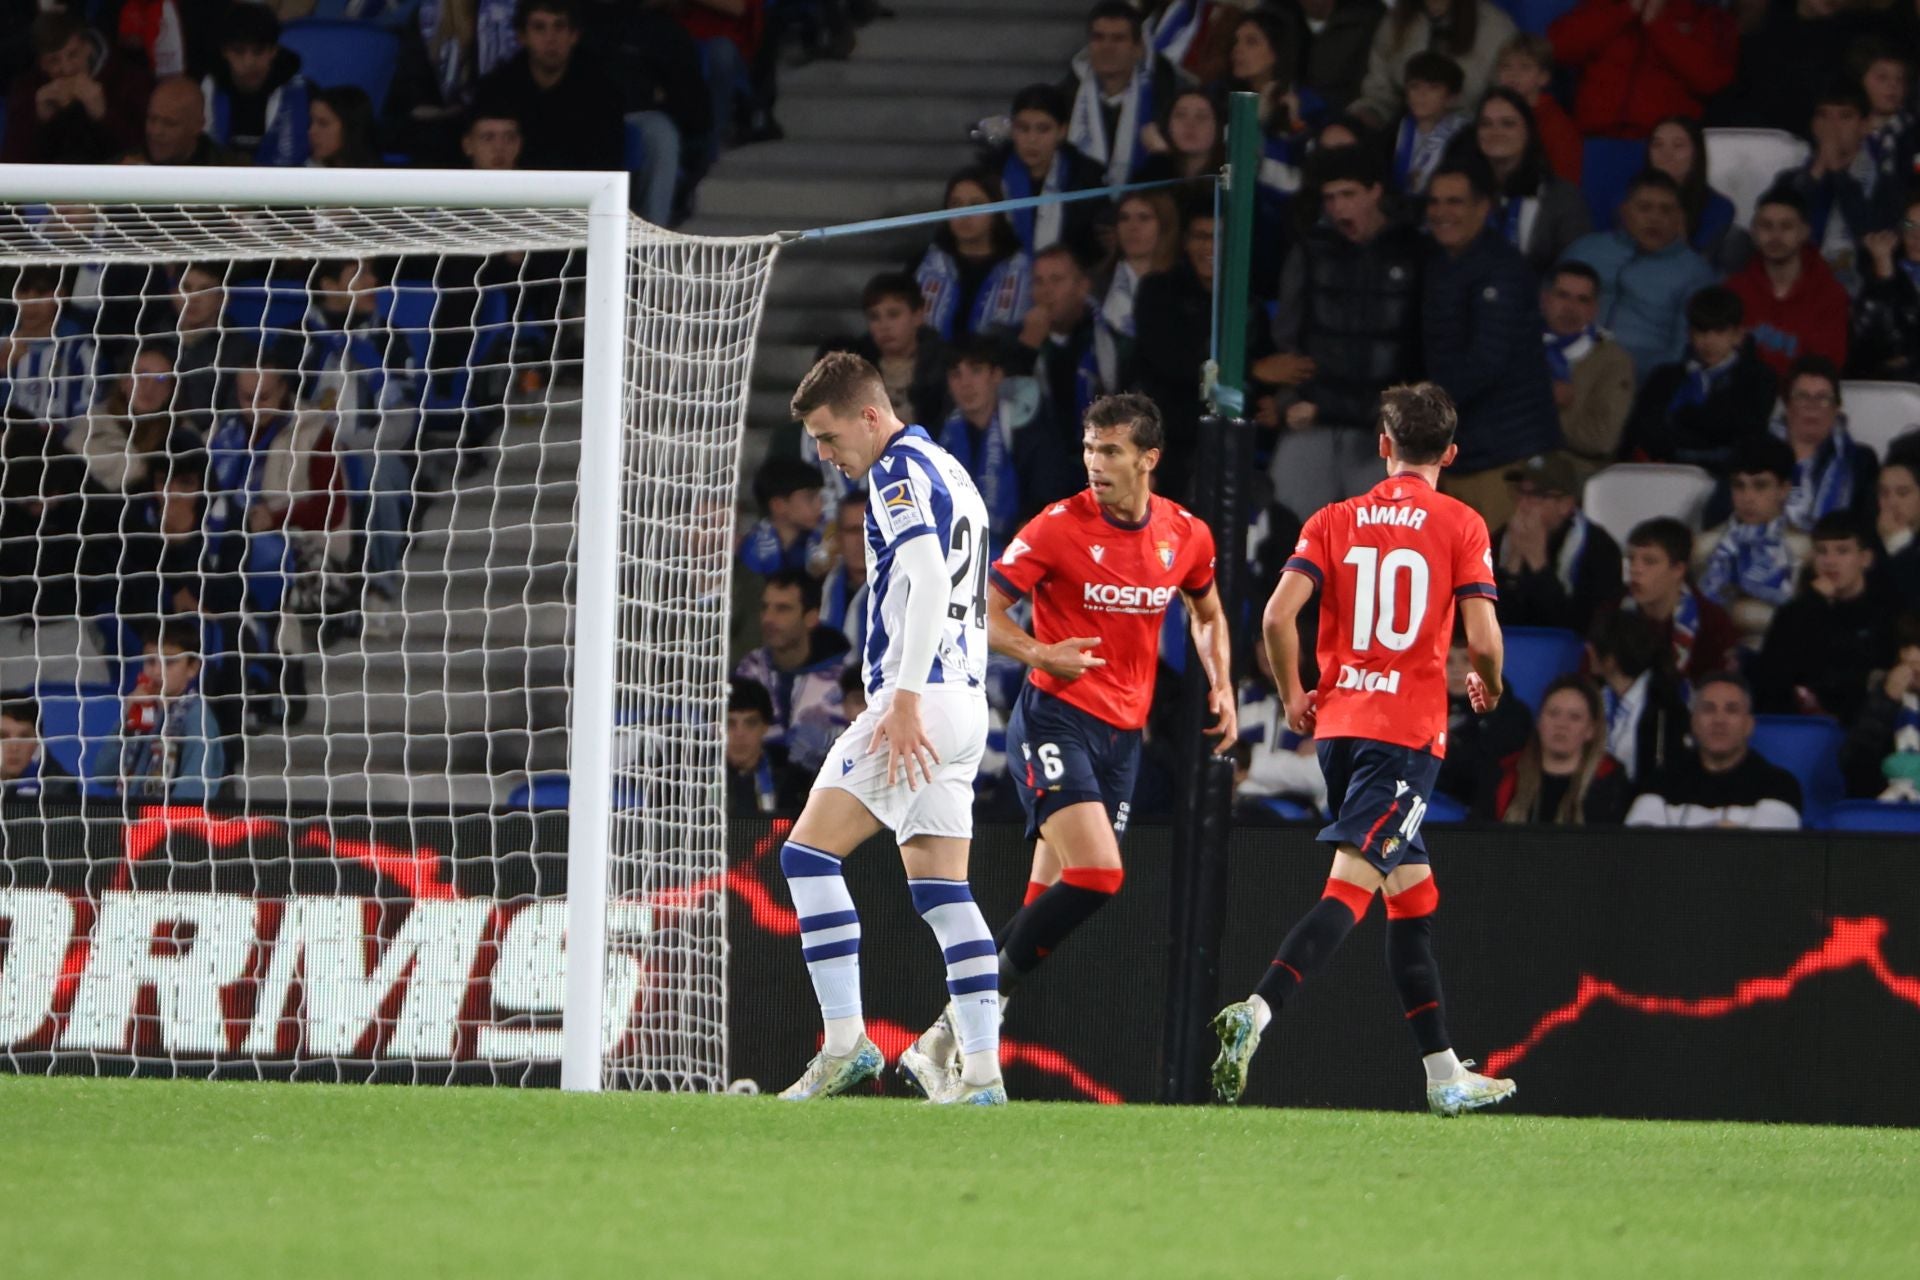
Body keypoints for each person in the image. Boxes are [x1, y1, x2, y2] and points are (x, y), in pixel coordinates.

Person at [896, 393, 1234, 1097]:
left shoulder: (1186, 535)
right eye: (1089, 448)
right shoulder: (1056, 528)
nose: (1095, 464)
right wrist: (1039, 652)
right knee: (1100, 875)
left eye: (1110, 451)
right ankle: (967, 1023)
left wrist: (1221, 683)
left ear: (1149, 459)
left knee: (1046, 894)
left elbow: (1206, 610)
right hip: (1054, 719)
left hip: (1122, 741)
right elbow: (979, 610)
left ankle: (941, 1039)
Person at [1212, 381, 1516, 1117]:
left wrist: (1294, 695)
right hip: (1405, 736)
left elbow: (1278, 617)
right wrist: (1489, 685)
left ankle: (1444, 1074)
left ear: (1383, 446)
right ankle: (1259, 1009)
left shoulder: (1332, 519)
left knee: (1413, 897)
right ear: (1449, 452)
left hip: (1341, 730)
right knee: (1349, 888)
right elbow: (1482, 639)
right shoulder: (1462, 522)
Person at [775, 351, 1003, 1105]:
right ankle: (981, 1076)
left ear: (869, 416)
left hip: (923, 699)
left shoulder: (897, 473)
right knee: (943, 891)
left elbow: (933, 578)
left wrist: (902, 701)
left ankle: (843, 1046)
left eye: (830, 437)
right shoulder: (953, 471)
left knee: (808, 856)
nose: (825, 456)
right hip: (967, 705)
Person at [1264, 145, 1424, 517]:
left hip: (1381, 431)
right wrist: (1289, 400)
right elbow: (1287, 337)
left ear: (1376, 191)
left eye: (1348, 195)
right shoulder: (1311, 250)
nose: (1338, 208)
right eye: (1330, 198)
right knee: (1288, 537)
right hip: (1311, 419)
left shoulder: (1414, 252)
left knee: (1376, 547)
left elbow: (1420, 345)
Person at [1421, 159, 1561, 530]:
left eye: (1454, 202)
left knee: (1493, 574)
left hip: (1506, 454)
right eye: (1434, 202)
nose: (1441, 212)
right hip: (1462, 449)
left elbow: (1487, 361)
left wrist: (1421, 405)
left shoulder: (1503, 268)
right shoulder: (1437, 264)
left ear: (1483, 207)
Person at [1560, 169, 1718, 382]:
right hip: (1565, 366)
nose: (1655, 218)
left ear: (1680, 217)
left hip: (1640, 383)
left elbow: (1683, 353)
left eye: (1666, 210)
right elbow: (1545, 310)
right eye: (1644, 208)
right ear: (1624, 211)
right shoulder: (1587, 249)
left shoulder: (1695, 273)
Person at [1752, 511, 1894, 724]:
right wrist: (1813, 604)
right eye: (1822, 551)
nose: (1830, 561)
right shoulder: (1795, 612)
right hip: (1800, 727)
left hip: (1863, 728)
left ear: (1865, 558)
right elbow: (1771, 679)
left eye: (1842, 551)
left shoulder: (1885, 613)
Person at [1620, 284, 1777, 473]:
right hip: (1654, 476)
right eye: (1701, 331)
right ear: (1690, 334)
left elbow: (1745, 442)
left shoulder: (1758, 379)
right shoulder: (1663, 377)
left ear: (1738, 335)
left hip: (1721, 481)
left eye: (1719, 331)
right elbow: (1637, 431)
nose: (1708, 341)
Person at [1770, 84, 1900, 296]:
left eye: (1845, 117)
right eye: (1824, 116)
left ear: (1865, 126)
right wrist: (1816, 173)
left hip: (1860, 295)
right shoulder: (1789, 182)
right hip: (1791, 289)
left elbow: (1871, 235)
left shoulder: (1885, 183)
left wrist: (1838, 171)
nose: (1833, 126)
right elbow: (1775, 229)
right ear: (1813, 125)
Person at [1625, 673, 1802, 829]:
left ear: (1749, 725)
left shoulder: (1780, 786)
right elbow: (1640, 851)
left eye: (1731, 710)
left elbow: (1767, 855)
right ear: (1693, 723)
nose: (1719, 720)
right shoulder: (1659, 782)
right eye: (1708, 709)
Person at [1127, 203, 1217, 502]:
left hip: (1221, 440)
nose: (1209, 246)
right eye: (1201, 236)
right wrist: (1252, 370)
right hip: (1168, 436)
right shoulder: (1158, 291)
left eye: (1218, 237)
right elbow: (1170, 361)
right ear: (1186, 243)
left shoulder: (1248, 302)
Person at [472, 0, 624, 174]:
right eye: (539, 27)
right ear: (522, 37)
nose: (550, 39)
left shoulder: (602, 91)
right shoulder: (496, 89)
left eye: (559, 27)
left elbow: (606, 166)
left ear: (574, 35)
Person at [1547, 0, 1734, 141]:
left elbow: (1711, 78)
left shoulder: (1704, 16)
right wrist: (1627, 9)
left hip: (1663, 148)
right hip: (1592, 139)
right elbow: (1556, 48)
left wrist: (1656, 24)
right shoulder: (1605, 5)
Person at [1453, 87, 1590, 276]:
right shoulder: (1459, 190)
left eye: (1508, 124)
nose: (1495, 132)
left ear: (1528, 131)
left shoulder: (1562, 197)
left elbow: (1575, 271)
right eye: (1486, 124)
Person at [731, 568, 852, 777]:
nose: (768, 618)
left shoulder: (841, 680)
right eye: (765, 607)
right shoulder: (750, 669)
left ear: (811, 618)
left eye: (782, 609)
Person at [1694, 436, 1808, 650]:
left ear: (1784, 489)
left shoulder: (1808, 549)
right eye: (1739, 486)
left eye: (1760, 486)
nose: (1748, 497)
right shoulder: (1702, 547)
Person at [1493, 452, 1623, 635]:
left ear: (1565, 504)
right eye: (1520, 492)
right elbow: (1491, 621)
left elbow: (1580, 628)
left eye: (1535, 496)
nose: (1523, 504)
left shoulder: (1599, 550)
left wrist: (1538, 564)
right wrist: (1511, 569)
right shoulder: (1500, 540)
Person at [1726, 186, 1851, 377]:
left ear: (1804, 232)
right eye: (1766, 226)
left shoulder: (1830, 295)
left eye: (1786, 226)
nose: (1775, 236)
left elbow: (1827, 369)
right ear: (1753, 232)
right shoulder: (1733, 290)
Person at [1013, 246, 1104, 503]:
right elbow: (1010, 411)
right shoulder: (1015, 341)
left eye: (1057, 280)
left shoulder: (1105, 338)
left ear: (1082, 287)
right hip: (1039, 472)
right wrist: (1026, 350)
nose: (1046, 291)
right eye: (1039, 281)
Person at [2, 9, 151, 165]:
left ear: (88, 48)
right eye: (54, 61)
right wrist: (37, 119)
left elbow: (149, 151)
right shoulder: (27, 89)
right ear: (42, 64)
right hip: (52, 183)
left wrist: (105, 114)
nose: (66, 69)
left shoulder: (129, 79)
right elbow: (10, 165)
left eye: (73, 54)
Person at [1063, 1, 1183, 189]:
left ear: (1137, 49)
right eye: (1098, 37)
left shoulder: (1164, 99)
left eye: (1118, 38)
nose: (1107, 47)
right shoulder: (1064, 99)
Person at [938, 338, 1044, 551]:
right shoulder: (943, 435)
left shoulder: (1027, 431)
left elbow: (1045, 500)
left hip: (1017, 551)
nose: (966, 384)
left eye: (976, 371)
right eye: (956, 375)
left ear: (996, 376)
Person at [1478, 675, 1630, 824]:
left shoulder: (1610, 782)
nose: (1561, 724)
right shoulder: (1506, 775)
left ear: (1591, 730)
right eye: (1553, 713)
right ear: (1539, 722)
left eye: (1574, 717)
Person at [1608, 516, 1737, 682]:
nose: (1635, 569)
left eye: (1649, 561)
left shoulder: (1712, 623)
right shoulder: (1612, 612)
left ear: (1678, 569)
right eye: (1632, 559)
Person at [913, 168, 1034, 345]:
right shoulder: (926, 263)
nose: (964, 215)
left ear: (997, 210)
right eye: (956, 204)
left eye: (976, 205)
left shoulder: (1021, 268)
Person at [1354, 0, 1518, 130]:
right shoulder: (1394, 23)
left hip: (1474, 143)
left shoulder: (1496, 28)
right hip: (1404, 138)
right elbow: (1379, 96)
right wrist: (1358, 122)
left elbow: (1508, 101)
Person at [1540, 261, 1633, 479]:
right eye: (1562, 295)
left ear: (1594, 309)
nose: (1570, 308)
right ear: (1545, 299)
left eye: (1582, 300)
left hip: (1576, 471)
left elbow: (1601, 438)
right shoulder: (1517, 346)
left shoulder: (1613, 361)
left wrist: (1540, 406)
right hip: (1510, 462)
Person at [996, 83, 1109, 262]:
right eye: (1023, 128)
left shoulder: (1087, 179)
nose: (1032, 139)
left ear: (1062, 131)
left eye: (1043, 129)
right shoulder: (993, 174)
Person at [118, 620, 227, 802]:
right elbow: (103, 770)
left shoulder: (197, 719)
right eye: (151, 661)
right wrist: (127, 719)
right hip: (135, 818)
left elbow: (192, 795)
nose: (157, 671)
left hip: (172, 826)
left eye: (169, 662)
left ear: (192, 668)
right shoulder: (145, 710)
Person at [65, 344, 195, 495]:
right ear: (124, 382)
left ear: (171, 392)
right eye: (142, 376)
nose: (150, 388)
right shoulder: (91, 425)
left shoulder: (185, 436)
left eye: (161, 380)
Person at [1772, 355, 1879, 532]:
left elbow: (1868, 527)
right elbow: (1721, 514)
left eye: (1823, 398)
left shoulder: (1860, 461)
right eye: (1802, 396)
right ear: (1787, 405)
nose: (1812, 406)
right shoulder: (1754, 452)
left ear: (1836, 408)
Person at [200, 2, 311, 166]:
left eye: (258, 51)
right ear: (224, 52)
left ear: (274, 51)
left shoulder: (299, 91)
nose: (249, 62)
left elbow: (295, 159)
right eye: (239, 51)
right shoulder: (208, 88)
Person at [1587, 606, 1688, 786]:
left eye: (1594, 645)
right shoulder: (1596, 697)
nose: (1587, 649)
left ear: (1611, 660)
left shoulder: (1662, 704)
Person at [844, 272, 950, 429]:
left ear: (918, 316)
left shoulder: (944, 367)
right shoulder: (854, 370)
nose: (884, 326)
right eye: (874, 317)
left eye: (893, 315)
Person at [1096, 190, 1180, 388]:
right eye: (1124, 218)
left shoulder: (1182, 285)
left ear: (1165, 226)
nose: (1133, 227)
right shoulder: (1096, 284)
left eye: (1144, 218)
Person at [1645, 115, 1746, 272]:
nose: (1666, 153)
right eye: (1657, 145)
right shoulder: (1630, 202)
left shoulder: (1719, 207)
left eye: (1678, 146)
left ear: (1696, 153)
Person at [1, 266, 98, 427]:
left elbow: (87, 413)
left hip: (59, 448)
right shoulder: (4, 340)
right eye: (23, 290)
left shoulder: (78, 348)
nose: (30, 302)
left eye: (41, 292)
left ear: (61, 294)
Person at [1840, 611, 1920, 799]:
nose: (1912, 657)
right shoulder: (1880, 696)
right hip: (1887, 808)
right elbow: (1854, 768)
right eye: (1906, 647)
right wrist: (1886, 703)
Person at [1271, 0, 1384, 117]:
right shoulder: (1275, 15)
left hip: (1344, 121)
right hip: (1282, 117)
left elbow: (1371, 94)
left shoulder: (1368, 19)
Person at [1851, 191, 1920, 380]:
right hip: (1892, 385)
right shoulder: (1886, 270)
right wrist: (1884, 278)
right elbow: (1876, 344)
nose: (1916, 236)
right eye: (1909, 226)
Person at [1493, 33, 1579, 182]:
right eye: (1506, 66)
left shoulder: (1557, 125)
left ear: (1543, 77)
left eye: (1525, 67)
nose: (1513, 74)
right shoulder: (1490, 115)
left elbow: (1565, 184)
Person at [1390, 52, 1467, 196]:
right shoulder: (1394, 131)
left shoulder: (1464, 136)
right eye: (1415, 86)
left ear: (1452, 97)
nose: (1422, 94)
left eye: (1433, 88)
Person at [725, 678, 806, 817]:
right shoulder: (694, 781)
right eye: (730, 723)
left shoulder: (793, 783)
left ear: (765, 727)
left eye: (750, 723)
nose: (740, 734)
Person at [738, 456, 824, 579]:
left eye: (819, 497)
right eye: (810, 498)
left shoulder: (822, 539)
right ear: (778, 505)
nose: (819, 505)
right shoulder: (756, 547)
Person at [1856, 38, 1916, 196]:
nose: (1892, 86)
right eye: (1882, 78)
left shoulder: (1914, 134)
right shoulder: (1848, 129)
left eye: (1899, 79)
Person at [1137, 87, 1226, 185]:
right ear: (1167, 124)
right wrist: (1162, 158)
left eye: (1201, 117)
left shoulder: (1230, 180)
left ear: (1218, 128)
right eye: (1180, 115)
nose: (1190, 124)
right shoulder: (1151, 174)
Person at [0, 694, 81, 802]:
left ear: (38, 741)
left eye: (24, 737)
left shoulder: (58, 789)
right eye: (3, 736)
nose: (14, 747)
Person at [141, 76, 235, 166]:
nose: (156, 131)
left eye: (169, 123)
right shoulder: (130, 165)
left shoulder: (232, 171)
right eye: (152, 119)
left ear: (198, 126)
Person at [818, 490, 870, 650]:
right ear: (839, 538)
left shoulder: (906, 589)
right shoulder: (821, 588)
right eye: (853, 531)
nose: (862, 540)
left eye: (870, 530)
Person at [306, 86, 383, 169]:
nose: (311, 131)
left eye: (323, 123)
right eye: (311, 122)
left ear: (350, 127)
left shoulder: (381, 175)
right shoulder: (307, 172)